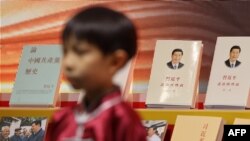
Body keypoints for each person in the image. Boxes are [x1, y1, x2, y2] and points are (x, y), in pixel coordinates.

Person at [45, 6, 147, 141]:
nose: (68, 63)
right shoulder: (62, 118)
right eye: (65, 52)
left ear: (115, 61)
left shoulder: (121, 119)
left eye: (80, 52)